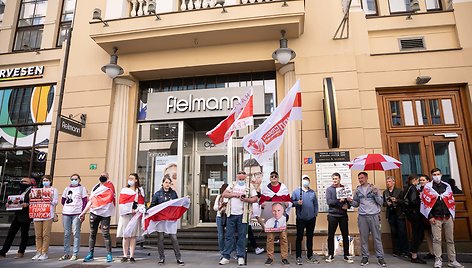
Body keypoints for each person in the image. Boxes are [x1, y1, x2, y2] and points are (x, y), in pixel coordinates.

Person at [421, 168, 464, 268]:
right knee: (437, 240)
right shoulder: (428, 187)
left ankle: (452, 260)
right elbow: (425, 203)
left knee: (450, 239)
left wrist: (451, 213)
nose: (437, 176)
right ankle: (438, 260)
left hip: (447, 216)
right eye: (434, 174)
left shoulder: (447, 186)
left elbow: (451, 200)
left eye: (438, 174)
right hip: (435, 217)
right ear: (431, 176)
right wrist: (430, 216)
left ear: (441, 174)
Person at [219, 171, 258, 266]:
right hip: (231, 214)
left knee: (242, 236)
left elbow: (255, 199)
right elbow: (224, 194)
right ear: (237, 177)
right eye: (239, 179)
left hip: (243, 215)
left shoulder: (249, 186)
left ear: (245, 177)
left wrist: (246, 199)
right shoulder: (232, 185)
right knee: (229, 236)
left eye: (242, 179)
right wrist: (235, 195)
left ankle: (240, 256)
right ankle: (226, 256)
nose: (241, 180)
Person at [349, 172, 386, 267]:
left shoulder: (374, 188)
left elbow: (381, 202)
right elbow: (356, 204)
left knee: (377, 237)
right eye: (359, 178)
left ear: (366, 178)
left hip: (374, 215)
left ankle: (380, 257)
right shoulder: (358, 190)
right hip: (362, 216)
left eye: (362, 178)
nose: (360, 180)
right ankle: (365, 257)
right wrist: (350, 201)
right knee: (363, 238)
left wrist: (375, 194)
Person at [79, 172, 116, 263]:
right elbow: (91, 201)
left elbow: (110, 198)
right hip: (94, 213)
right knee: (92, 234)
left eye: (105, 176)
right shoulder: (95, 187)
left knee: (106, 234)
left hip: (105, 214)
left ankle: (109, 254)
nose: (102, 177)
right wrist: (83, 213)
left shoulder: (110, 187)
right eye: (101, 176)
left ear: (108, 178)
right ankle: (90, 254)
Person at [150, 175, 185, 265]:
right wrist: (147, 211)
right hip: (161, 220)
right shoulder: (157, 194)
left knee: (174, 238)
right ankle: (162, 258)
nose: (167, 184)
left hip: (170, 220)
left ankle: (179, 258)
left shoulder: (173, 193)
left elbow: (177, 204)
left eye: (169, 183)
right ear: (162, 183)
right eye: (166, 182)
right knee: (160, 239)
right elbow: (153, 205)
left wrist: (185, 200)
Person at [259, 171, 291, 266]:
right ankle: (270, 258)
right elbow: (260, 202)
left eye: (275, 176)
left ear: (278, 178)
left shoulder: (283, 188)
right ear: (269, 178)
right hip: (270, 218)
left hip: (282, 218)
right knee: (270, 239)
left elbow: (290, 201)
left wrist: (287, 204)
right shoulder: (266, 189)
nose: (274, 177)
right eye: (272, 176)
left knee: (284, 238)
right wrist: (262, 204)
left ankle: (284, 258)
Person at [0, 177, 34, 258]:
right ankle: (3, 251)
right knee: (11, 233)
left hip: (26, 216)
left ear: (29, 183)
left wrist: (28, 205)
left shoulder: (32, 191)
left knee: (24, 234)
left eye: (24, 181)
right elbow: (16, 201)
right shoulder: (20, 191)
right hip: (17, 215)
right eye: (21, 181)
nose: (22, 182)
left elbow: (35, 202)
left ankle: (21, 251)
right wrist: (9, 204)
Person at [325, 172, 353, 264]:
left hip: (343, 216)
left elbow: (348, 202)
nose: (335, 180)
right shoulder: (329, 189)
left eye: (336, 179)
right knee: (330, 236)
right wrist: (338, 200)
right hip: (333, 215)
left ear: (340, 179)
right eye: (333, 179)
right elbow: (329, 202)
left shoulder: (344, 188)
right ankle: (330, 254)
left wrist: (348, 204)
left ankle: (346, 255)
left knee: (345, 235)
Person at [291, 174, 319, 265]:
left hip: (311, 218)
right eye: (304, 179)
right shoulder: (296, 192)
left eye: (307, 179)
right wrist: (297, 203)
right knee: (299, 237)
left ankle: (310, 255)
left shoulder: (312, 192)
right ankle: (298, 256)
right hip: (301, 219)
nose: (306, 181)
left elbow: (315, 203)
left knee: (310, 237)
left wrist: (315, 213)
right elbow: (291, 203)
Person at [117, 173, 145, 263]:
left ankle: (132, 255)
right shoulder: (124, 190)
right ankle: (125, 255)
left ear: (136, 180)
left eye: (132, 178)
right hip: (126, 215)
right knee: (126, 235)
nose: (130, 180)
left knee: (133, 236)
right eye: (129, 178)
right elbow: (122, 202)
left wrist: (138, 209)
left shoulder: (140, 190)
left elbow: (141, 202)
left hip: (135, 215)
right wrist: (129, 209)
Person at [59, 174, 88, 261]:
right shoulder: (67, 189)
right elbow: (63, 201)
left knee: (76, 233)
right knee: (67, 234)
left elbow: (85, 201)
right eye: (72, 179)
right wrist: (69, 207)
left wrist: (82, 213)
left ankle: (75, 253)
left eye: (76, 179)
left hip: (77, 213)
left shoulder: (82, 189)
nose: (74, 180)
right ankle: (66, 253)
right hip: (66, 213)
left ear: (79, 180)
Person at [31, 175, 58, 261]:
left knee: (45, 234)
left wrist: (50, 200)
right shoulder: (38, 190)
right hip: (38, 214)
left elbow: (56, 202)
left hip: (48, 214)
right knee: (38, 235)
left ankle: (44, 252)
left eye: (46, 180)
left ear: (50, 181)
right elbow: (33, 202)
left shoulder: (54, 190)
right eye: (44, 180)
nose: (45, 182)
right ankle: (38, 252)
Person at [382, 176, 409, 258]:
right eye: (387, 182)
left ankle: (405, 251)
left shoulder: (399, 191)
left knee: (402, 232)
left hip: (399, 213)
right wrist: (387, 204)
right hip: (391, 214)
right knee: (394, 233)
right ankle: (396, 251)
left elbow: (405, 201)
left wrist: (396, 200)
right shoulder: (385, 192)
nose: (388, 183)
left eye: (389, 182)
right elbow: (383, 203)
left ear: (393, 182)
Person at [403, 175, 427, 264]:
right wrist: (420, 199)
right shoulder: (412, 188)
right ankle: (414, 255)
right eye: (418, 180)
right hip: (415, 214)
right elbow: (413, 201)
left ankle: (412, 252)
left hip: (410, 214)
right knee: (418, 234)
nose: (419, 182)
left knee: (416, 233)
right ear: (414, 180)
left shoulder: (407, 188)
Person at [418, 174, 434, 259]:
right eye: (420, 180)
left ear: (428, 181)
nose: (421, 182)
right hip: (423, 214)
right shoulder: (419, 189)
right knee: (427, 234)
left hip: (431, 214)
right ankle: (431, 252)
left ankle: (438, 252)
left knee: (435, 235)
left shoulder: (431, 189)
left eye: (423, 180)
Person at [214, 183, 229, 258]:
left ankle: (228, 251)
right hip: (220, 216)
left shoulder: (230, 197)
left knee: (229, 235)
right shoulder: (219, 197)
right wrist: (221, 206)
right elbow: (215, 208)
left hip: (228, 216)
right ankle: (222, 252)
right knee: (221, 235)